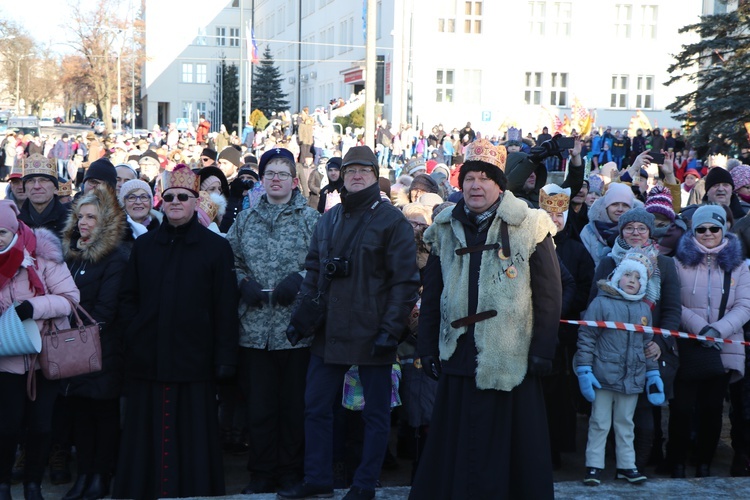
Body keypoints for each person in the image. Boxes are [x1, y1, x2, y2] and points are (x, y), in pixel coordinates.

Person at [409, 139, 562, 499]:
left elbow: (549, 293)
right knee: (459, 445)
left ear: (499, 184)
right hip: (460, 355)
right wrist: (427, 346)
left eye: (485, 178)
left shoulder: (530, 224)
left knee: (512, 450)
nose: (476, 185)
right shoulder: (444, 229)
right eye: (469, 178)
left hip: (511, 357)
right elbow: (432, 295)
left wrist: (542, 349)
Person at [277, 146, 420, 500]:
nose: (356, 175)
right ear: (341, 174)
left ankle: (365, 482)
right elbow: (313, 271)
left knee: (374, 414)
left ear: (375, 175)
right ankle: (318, 478)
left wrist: (390, 330)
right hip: (329, 330)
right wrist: (301, 318)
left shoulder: (393, 221)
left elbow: (405, 282)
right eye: (350, 169)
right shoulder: (329, 218)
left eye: (364, 170)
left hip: (373, 332)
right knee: (315, 407)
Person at [113, 164, 240, 499]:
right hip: (148, 358)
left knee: (193, 435)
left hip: (194, 360)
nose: (175, 202)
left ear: (195, 201)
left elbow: (225, 308)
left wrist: (225, 357)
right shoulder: (145, 247)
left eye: (183, 197)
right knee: (146, 437)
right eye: (169, 197)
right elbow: (128, 299)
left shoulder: (216, 248)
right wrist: (135, 333)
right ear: (161, 201)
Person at [226, 148, 321, 494]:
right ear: (262, 179)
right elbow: (231, 260)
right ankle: (262, 472)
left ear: (295, 181)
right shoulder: (246, 219)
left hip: (295, 332)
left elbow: (322, 265)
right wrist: (242, 283)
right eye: (270, 174)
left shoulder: (312, 220)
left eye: (283, 173)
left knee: (293, 407)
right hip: (254, 331)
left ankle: (290, 471)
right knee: (260, 407)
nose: (276, 179)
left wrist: (299, 279)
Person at [0, 200, 79, 500]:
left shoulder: (42, 257)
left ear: (15, 230)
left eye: (2, 232)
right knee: (6, 427)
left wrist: (32, 307)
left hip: (45, 355)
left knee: (41, 426)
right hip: (6, 357)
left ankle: (33, 483)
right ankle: (3, 483)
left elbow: (70, 299)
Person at [665, 205, 750, 478]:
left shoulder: (741, 265)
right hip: (688, 346)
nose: (708, 233)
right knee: (681, 408)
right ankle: (676, 461)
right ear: (693, 231)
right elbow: (673, 303)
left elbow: (745, 306)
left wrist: (718, 330)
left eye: (714, 228)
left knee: (713, 410)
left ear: (723, 229)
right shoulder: (678, 262)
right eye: (701, 229)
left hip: (724, 347)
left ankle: (705, 462)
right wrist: (702, 328)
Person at [60, 186, 128, 500]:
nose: (83, 222)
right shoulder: (70, 253)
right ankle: (84, 475)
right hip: (72, 349)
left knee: (103, 414)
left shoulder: (115, 256)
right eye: (80, 216)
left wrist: (71, 334)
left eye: (91, 216)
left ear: (106, 221)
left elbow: (106, 309)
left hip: (102, 350)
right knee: (80, 416)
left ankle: (101, 476)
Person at [576, 251, 664, 486]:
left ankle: (627, 465)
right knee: (599, 422)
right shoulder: (601, 302)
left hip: (632, 378)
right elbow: (587, 336)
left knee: (626, 424)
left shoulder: (644, 310)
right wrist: (584, 369)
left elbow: (647, 344)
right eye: (627, 274)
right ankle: (594, 466)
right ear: (617, 277)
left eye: (638, 277)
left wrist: (653, 373)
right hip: (603, 376)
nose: (632, 280)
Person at [580, 182, 636, 266]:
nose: (620, 209)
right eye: (614, 204)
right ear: (606, 207)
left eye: (625, 205)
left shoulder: (637, 232)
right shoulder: (589, 231)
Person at [18, 154, 71, 237]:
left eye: (43, 180)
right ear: (24, 188)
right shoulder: (15, 221)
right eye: (30, 181)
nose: (36, 186)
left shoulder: (70, 222)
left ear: (56, 188)